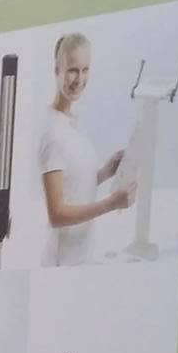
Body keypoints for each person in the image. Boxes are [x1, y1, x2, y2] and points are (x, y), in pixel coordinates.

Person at [39, 32, 136, 267]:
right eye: (72, 70)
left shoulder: (72, 122)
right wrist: (111, 204)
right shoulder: (52, 133)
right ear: (57, 70)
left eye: (85, 70)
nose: (79, 79)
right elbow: (57, 214)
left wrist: (104, 173)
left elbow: (73, 185)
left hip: (82, 257)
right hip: (62, 265)